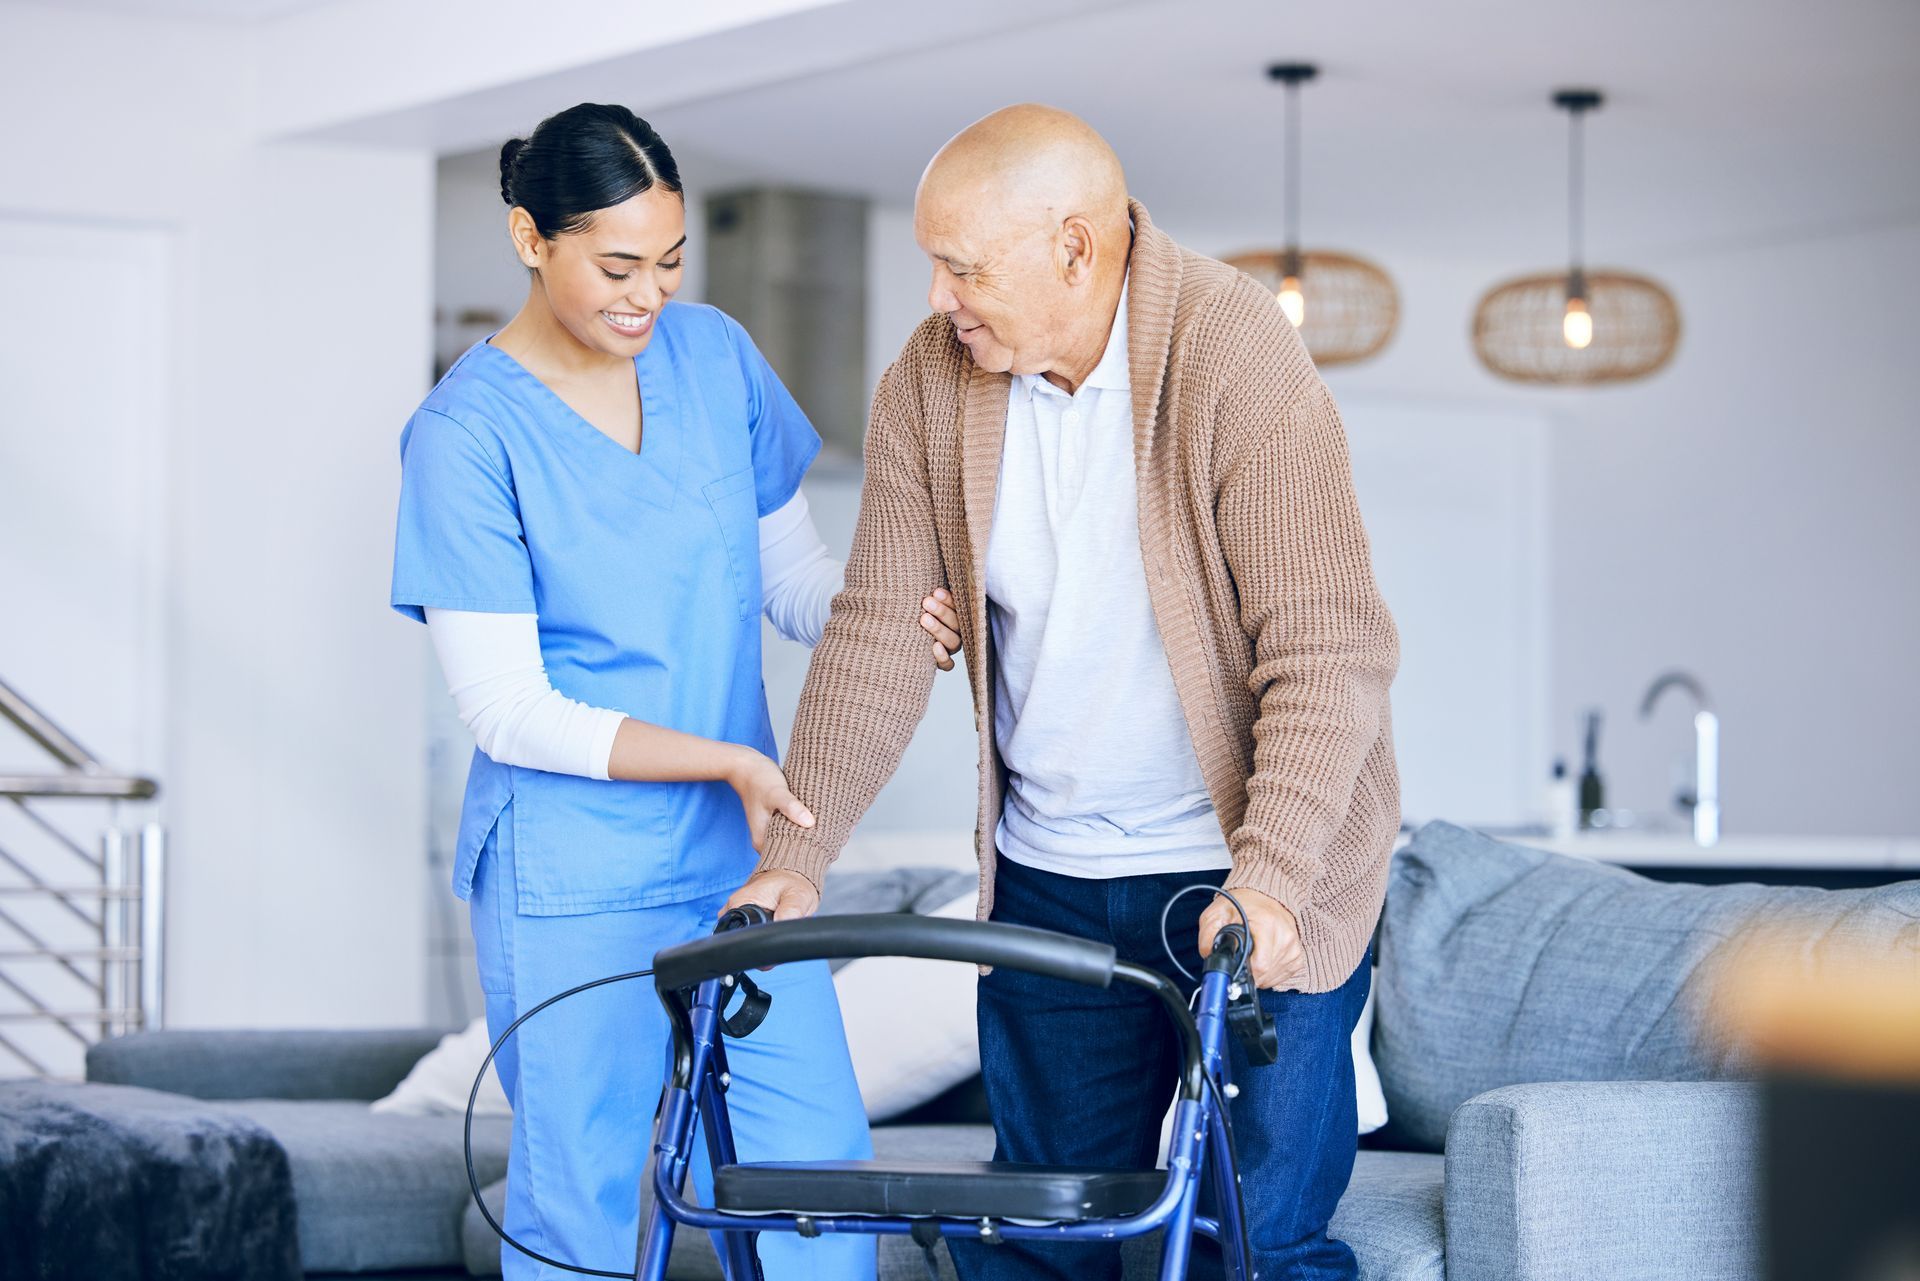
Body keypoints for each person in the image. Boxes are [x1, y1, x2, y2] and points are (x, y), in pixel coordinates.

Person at [725, 104, 1401, 1280]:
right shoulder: (932, 383)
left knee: (1258, 1247)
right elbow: (883, 626)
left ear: (1076, 249)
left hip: (1251, 876)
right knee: (1037, 1242)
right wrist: (802, 854)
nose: (940, 297)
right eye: (934, 265)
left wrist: (1274, 882)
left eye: (962, 267)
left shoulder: (1232, 349)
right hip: (1051, 881)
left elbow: (1327, 646)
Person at [390, 102, 964, 1280]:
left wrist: (898, 606)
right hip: (571, 873)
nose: (645, 296)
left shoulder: (712, 357)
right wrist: (730, 760)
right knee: (586, 1202)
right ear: (528, 237)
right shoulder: (464, 435)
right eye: (614, 266)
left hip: (738, 867)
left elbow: (790, 579)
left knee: (815, 1176)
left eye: (667, 261)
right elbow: (508, 709)